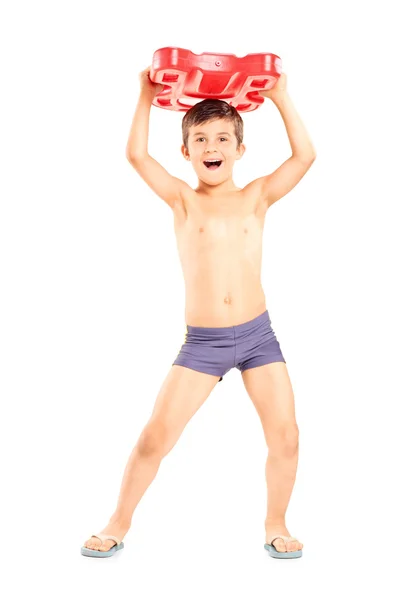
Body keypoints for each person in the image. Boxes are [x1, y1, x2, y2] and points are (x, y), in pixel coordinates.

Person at [81, 65, 316, 559]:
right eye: (202, 139)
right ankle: (117, 522)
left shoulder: (257, 197)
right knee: (154, 438)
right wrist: (145, 94)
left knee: (287, 435)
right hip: (203, 344)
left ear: (240, 149)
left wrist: (281, 97)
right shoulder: (183, 200)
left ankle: (277, 522)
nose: (213, 147)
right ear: (186, 152)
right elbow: (136, 155)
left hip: (258, 338)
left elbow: (305, 156)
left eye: (224, 138)